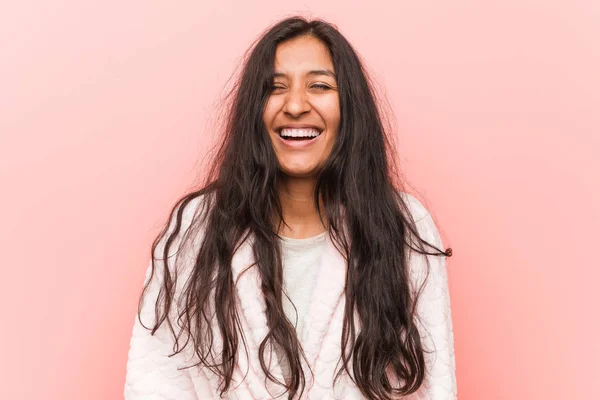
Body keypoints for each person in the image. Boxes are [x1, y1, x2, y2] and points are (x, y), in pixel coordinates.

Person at [124, 15, 457, 400]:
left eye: (319, 85)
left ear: (350, 107)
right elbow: (157, 382)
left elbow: (433, 386)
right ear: (254, 109)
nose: (296, 105)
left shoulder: (402, 226)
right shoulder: (196, 231)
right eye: (275, 87)